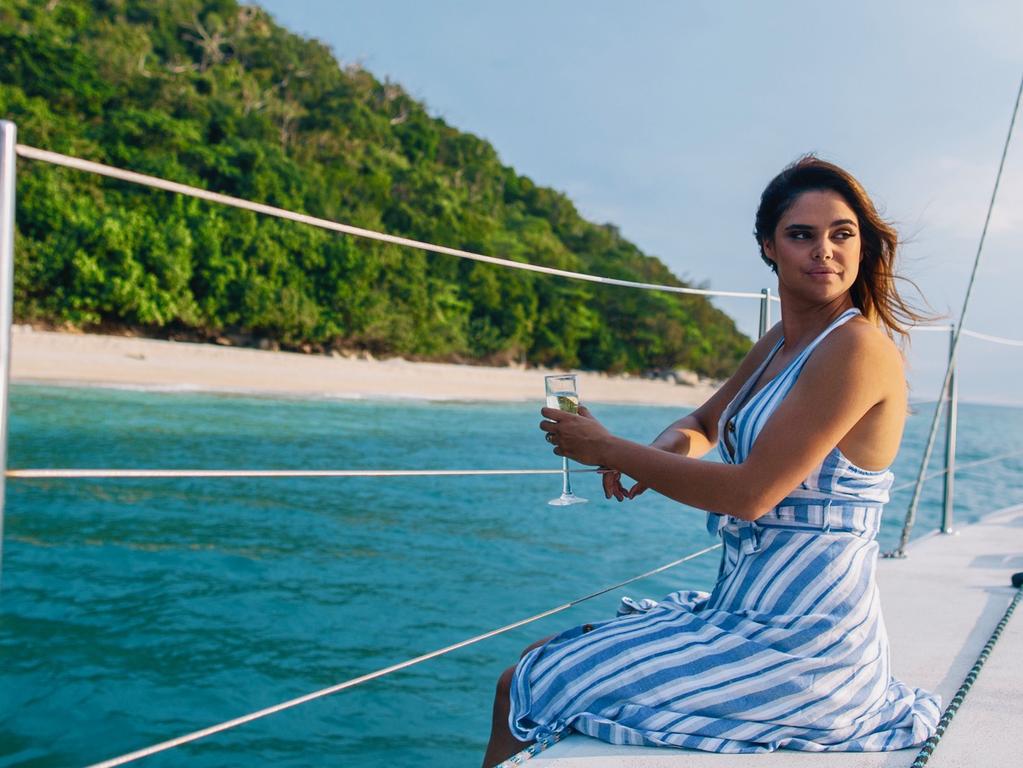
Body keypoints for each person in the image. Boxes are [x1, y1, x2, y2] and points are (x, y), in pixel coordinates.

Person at [482, 156, 941, 767]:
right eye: (801, 234)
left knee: (531, 680)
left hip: (807, 645)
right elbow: (703, 424)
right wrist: (658, 451)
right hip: (741, 612)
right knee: (537, 665)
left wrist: (609, 449)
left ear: (862, 245)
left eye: (841, 233)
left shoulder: (856, 349)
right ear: (767, 248)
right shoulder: (781, 342)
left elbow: (752, 495)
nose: (824, 251)